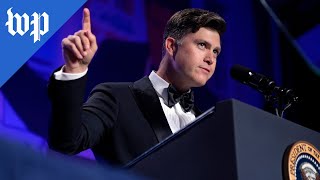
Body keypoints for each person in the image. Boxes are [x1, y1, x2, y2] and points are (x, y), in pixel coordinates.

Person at [48, 7, 226, 166]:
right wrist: (74, 69)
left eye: (215, 52)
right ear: (171, 46)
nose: (211, 59)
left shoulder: (206, 120)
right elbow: (66, 142)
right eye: (202, 45)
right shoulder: (116, 98)